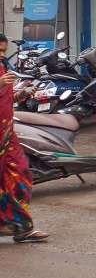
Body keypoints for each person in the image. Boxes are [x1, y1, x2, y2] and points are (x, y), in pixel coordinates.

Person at [0, 60, 47, 242]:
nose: (2, 54)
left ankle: (17, 226)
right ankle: (17, 226)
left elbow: (6, 99)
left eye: (3, 50)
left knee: (21, 173)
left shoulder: (3, 67)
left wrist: (21, 94)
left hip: (7, 134)